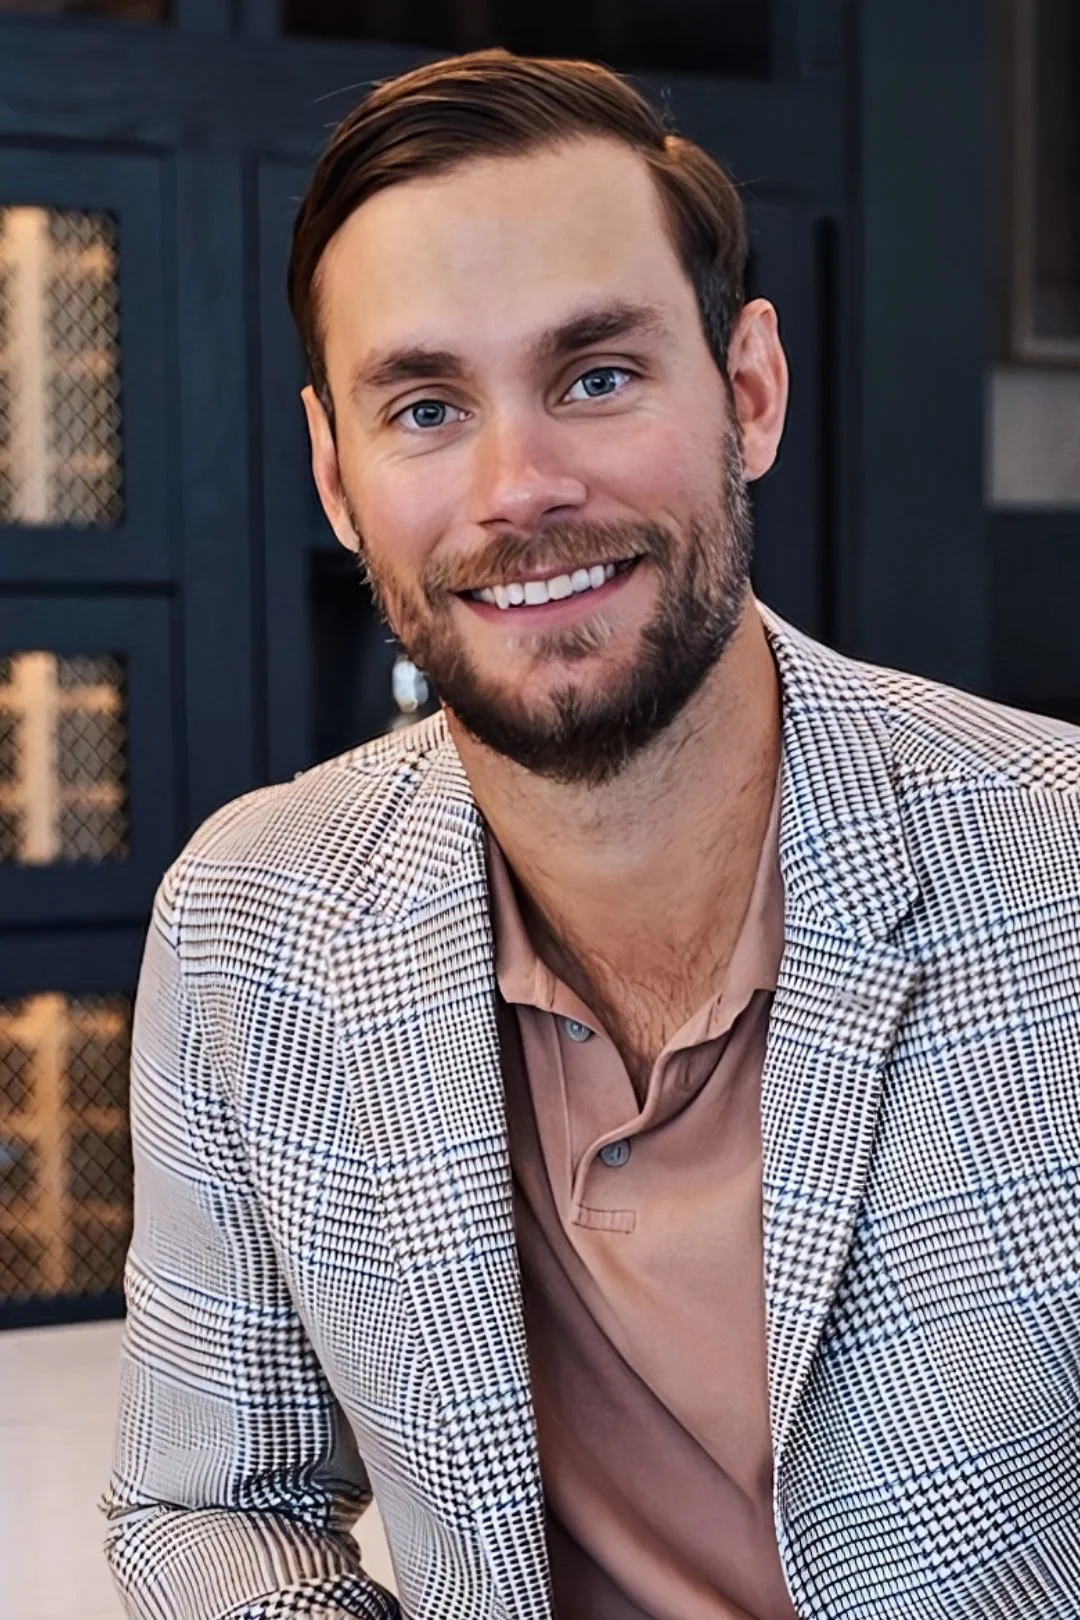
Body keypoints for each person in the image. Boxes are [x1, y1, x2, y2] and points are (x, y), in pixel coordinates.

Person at [103, 49, 1080, 1620]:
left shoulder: (1058, 869)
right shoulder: (249, 922)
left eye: (598, 376)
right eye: (425, 408)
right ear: (336, 478)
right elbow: (212, 1504)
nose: (519, 488)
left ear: (747, 392)